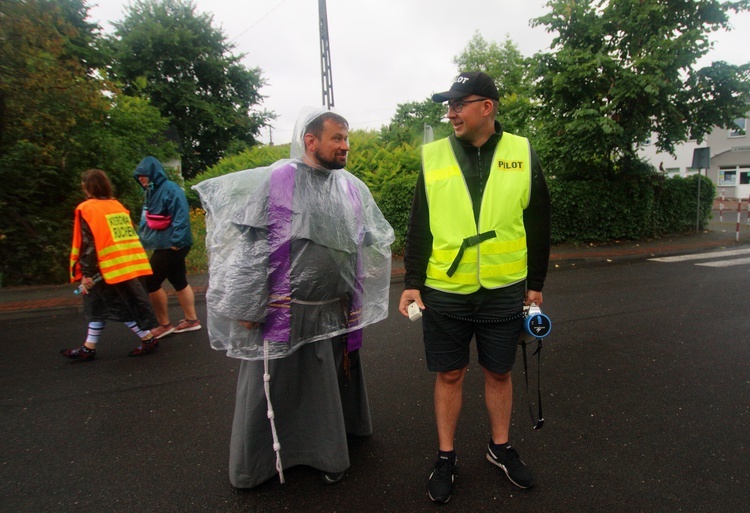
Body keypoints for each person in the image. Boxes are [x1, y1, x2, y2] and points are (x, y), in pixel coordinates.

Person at [193, 108, 394, 488]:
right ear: (310, 140)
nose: (345, 146)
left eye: (347, 138)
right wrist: (247, 306)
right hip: (286, 314)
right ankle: (259, 466)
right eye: (337, 138)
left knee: (326, 387)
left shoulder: (349, 187)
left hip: (334, 313)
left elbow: (364, 240)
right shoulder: (279, 182)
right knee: (275, 387)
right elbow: (252, 248)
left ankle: (329, 451)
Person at [398, 71, 551, 503]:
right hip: (445, 288)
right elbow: (419, 227)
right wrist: (412, 283)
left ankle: (499, 448)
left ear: (487, 107)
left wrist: (535, 283)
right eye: (448, 105)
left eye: (459, 104)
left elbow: (539, 221)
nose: (451, 113)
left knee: (499, 372)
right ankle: (446, 457)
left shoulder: (521, 152)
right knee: (449, 373)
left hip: (505, 288)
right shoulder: (433, 156)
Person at [62, 169, 159, 361]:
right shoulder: (116, 206)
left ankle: (147, 338)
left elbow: (89, 244)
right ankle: (89, 347)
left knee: (115, 305)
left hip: (105, 269)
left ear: (86, 187)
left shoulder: (87, 208)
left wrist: (87, 273)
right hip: (123, 264)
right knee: (98, 304)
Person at [133, 156, 201, 338]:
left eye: (144, 175)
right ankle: (192, 321)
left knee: (150, 281)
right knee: (179, 280)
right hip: (164, 244)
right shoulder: (150, 192)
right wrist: (142, 240)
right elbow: (147, 220)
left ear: (153, 174)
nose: (141, 179)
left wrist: (176, 242)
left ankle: (164, 324)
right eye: (138, 177)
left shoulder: (170, 189)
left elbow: (181, 214)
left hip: (173, 245)